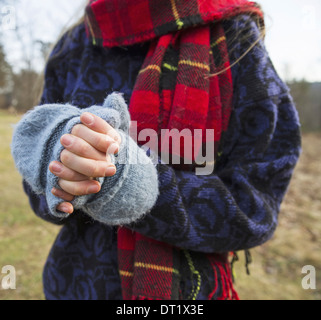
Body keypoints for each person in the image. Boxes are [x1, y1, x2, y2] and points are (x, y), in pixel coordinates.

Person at [11, 0, 301, 300]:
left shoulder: (235, 38)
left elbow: (256, 208)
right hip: (74, 287)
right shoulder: (76, 44)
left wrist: (131, 181)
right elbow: (37, 196)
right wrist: (60, 166)